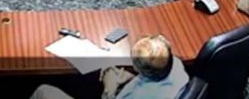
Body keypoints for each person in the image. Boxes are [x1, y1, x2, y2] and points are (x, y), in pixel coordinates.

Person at [29, 35, 188, 99]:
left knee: (43, 91)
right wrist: (131, 78)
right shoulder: (175, 64)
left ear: (140, 69)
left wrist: (109, 89)